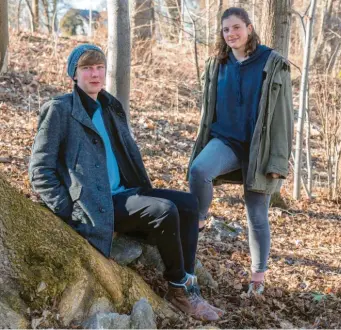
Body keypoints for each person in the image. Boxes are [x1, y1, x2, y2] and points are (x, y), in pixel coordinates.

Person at [29, 44, 223, 321]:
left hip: (127, 190)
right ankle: (178, 290)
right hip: (97, 204)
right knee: (164, 210)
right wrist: (67, 209)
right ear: (73, 74)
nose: (95, 74)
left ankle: (189, 285)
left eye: (99, 67)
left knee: (190, 204)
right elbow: (39, 170)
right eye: (86, 68)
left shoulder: (110, 106)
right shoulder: (59, 110)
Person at [187, 8, 293, 295]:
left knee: (256, 213)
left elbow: (283, 116)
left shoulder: (272, 63)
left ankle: (257, 279)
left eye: (236, 27)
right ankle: (198, 220)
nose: (231, 34)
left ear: (249, 27)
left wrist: (278, 161)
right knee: (198, 170)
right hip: (226, 141)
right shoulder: (217, 64)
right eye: (226, 30)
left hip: (260, 148)